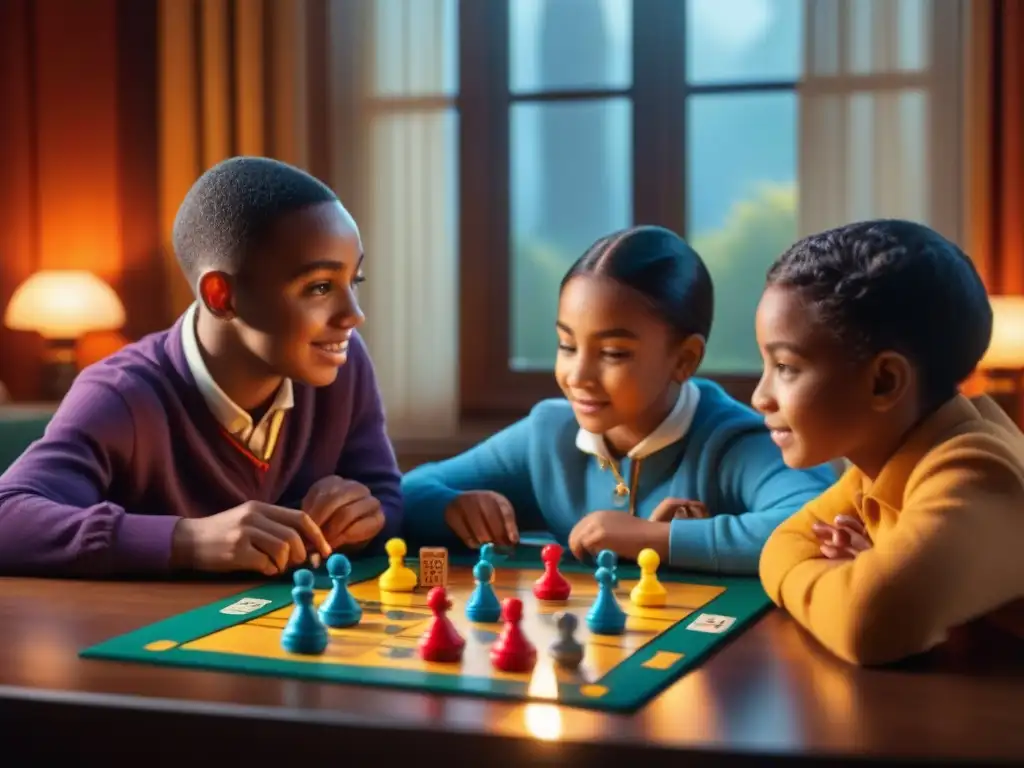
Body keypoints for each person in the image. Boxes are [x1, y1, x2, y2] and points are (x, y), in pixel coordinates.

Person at [0, 156, 402, 577]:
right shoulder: (122, 396)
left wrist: (365, 517)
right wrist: (187, 540)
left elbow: (387, 498)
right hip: (141, 636)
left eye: (353, 282)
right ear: (221, 296)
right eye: (319, 287)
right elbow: (9, 518)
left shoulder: (344, 362)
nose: (353, 315)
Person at [401, 225, 835, 574]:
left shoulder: (732, 442)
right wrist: (452, 507)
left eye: (612, 354)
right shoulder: (547, 436)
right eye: (567, 346)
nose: (578, 376)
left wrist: (654, 539)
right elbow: (407, 492)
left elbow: (815, 525)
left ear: (684, 360)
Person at [755, 218, 1024, 666]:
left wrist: (858, 582)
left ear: (884, 381)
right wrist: (850, 578)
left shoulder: (976, 469)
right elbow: (780, 545)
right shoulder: (880, 462)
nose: (760, 396)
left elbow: (864, 623)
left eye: (785, 367)